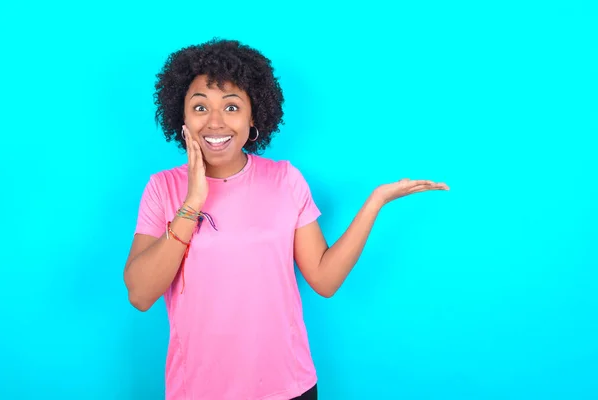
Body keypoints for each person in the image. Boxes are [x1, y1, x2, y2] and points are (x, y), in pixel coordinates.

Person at [123, 38, 449, 400]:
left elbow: (324, 279)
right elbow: (140, 293)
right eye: (200, 107)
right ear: (181, 117)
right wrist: (192, 203)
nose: (215, 122)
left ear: (253, 117)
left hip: (288, 388)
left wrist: (376, 202)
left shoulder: (285, 180)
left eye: (231, 107)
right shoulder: (163, 188)